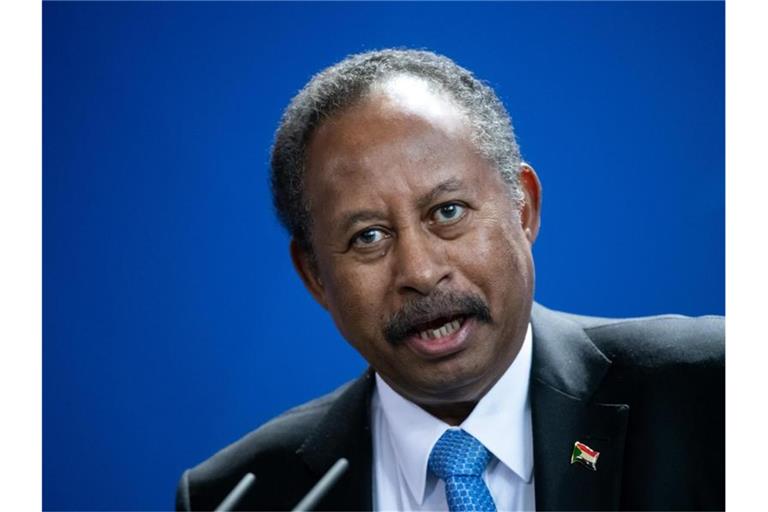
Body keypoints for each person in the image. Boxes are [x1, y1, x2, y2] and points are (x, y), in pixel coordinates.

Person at [175, 49, 724, 511]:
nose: (418, 270)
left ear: (523, 208)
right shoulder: (237, 496)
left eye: (448, 211)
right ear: (315, 276)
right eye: (368, 237)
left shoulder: (717, 391)